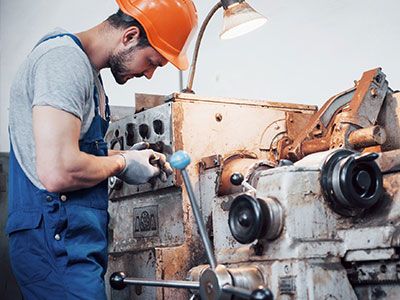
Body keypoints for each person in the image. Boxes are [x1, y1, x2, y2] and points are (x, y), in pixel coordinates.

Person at [6, 0, 198, 299]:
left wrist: (131, 159)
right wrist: (121, 163)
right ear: (130, 36)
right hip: (56, 240)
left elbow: (70, 154)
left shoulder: (88, 75)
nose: (149, 74)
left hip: (71, 241)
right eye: (152, 61)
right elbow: (58, 171)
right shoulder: (63, 61)